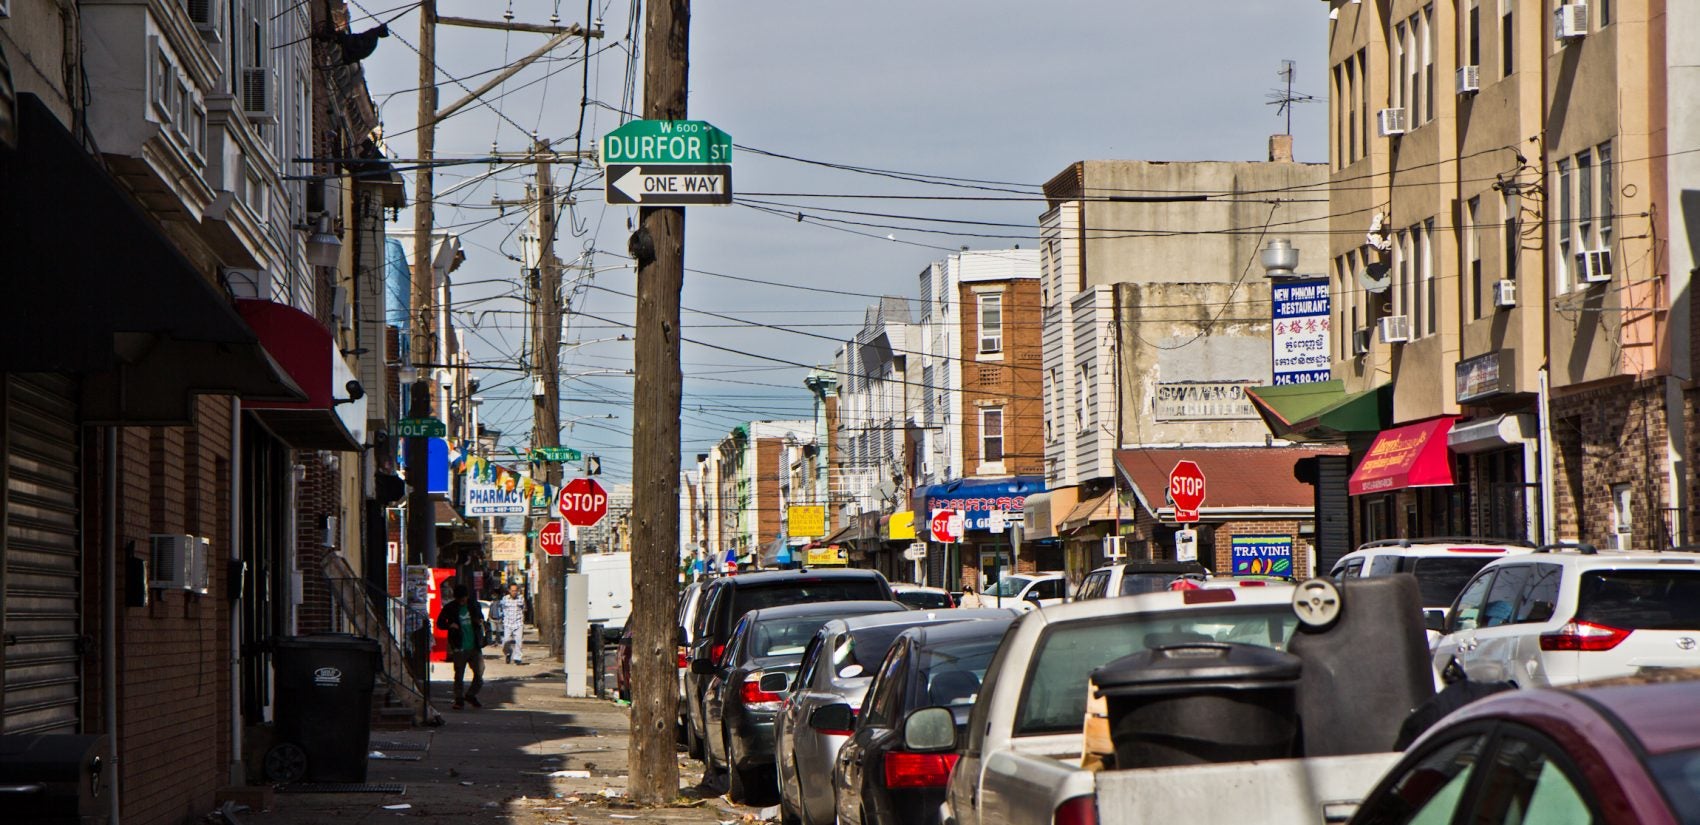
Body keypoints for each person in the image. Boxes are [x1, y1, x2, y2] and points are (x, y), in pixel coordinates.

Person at [436, 584, 488, 709]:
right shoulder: (450, 608)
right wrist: (450, 625)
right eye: (460, 599)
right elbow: (440, 623)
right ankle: (459, 699)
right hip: (459, 646)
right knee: (459, 674)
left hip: (474, 645)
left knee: (479, 672)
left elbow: (480, 617)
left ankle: (470, 694)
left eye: (464, 598)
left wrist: (479, 621)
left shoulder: (473, 605)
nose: (462, 601)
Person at [498, 583, 528, 665]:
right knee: (506, 641)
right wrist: (501, 617)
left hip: (518, 623)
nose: (514, 592)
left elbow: (524, 608)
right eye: (512, 591)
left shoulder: (521, 598)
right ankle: (508, 653)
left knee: (519, 641)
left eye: (516, 591)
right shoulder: (505, 599)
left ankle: (517, 658)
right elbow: (500, 608)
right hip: (508, 623)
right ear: (509, 591)